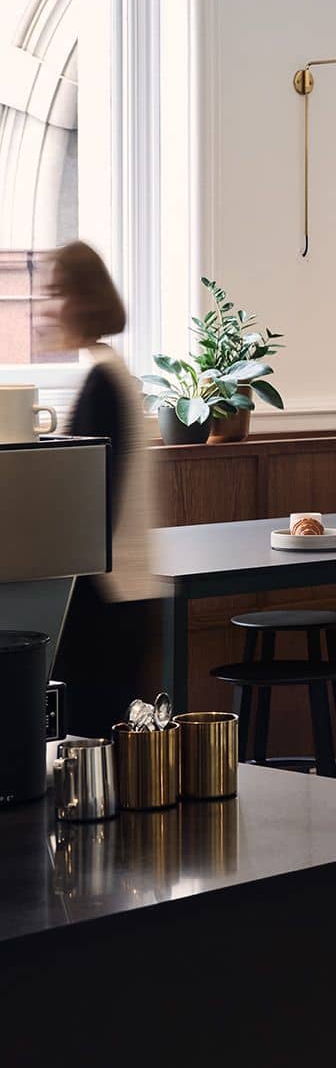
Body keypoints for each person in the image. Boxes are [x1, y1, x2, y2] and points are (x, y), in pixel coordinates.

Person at [47, 242, 162, 735]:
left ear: (80, 300)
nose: (49, 308)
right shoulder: (108, 372)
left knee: (95, 738)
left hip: (109, 597)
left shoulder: (103, 382)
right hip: (121, 594)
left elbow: (95, 502)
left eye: (57, 293)